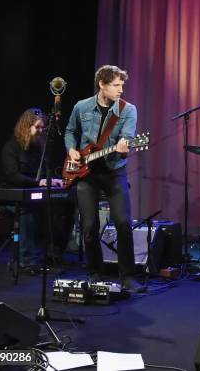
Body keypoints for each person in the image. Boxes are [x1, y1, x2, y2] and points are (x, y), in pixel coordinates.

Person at [65, 65, 145, 293]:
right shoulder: (82, 106)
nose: (121, 90)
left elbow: (128, 138)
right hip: (86, 173)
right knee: (89, 226)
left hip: (114, 171)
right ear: (102, 84)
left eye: (122, 85)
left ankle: (128, 276)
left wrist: (123, 147)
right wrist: (71, 149)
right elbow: (70, 131)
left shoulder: (128, 109)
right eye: (116, 85)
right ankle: (94, 272)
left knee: (123, 222)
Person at [1, 108, 64, 272]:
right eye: (37, 127)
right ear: (26, 126)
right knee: (28, 209)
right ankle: (26, 261)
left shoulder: (38, 148)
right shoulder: (11, 147)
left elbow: (45, 173)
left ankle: (52, 254)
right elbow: (12, 176)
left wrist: (53, 181)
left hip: (33, 191)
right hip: (14, 194)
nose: (41, 131)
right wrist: (38, 182)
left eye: (42, 128)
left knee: (62, 206)